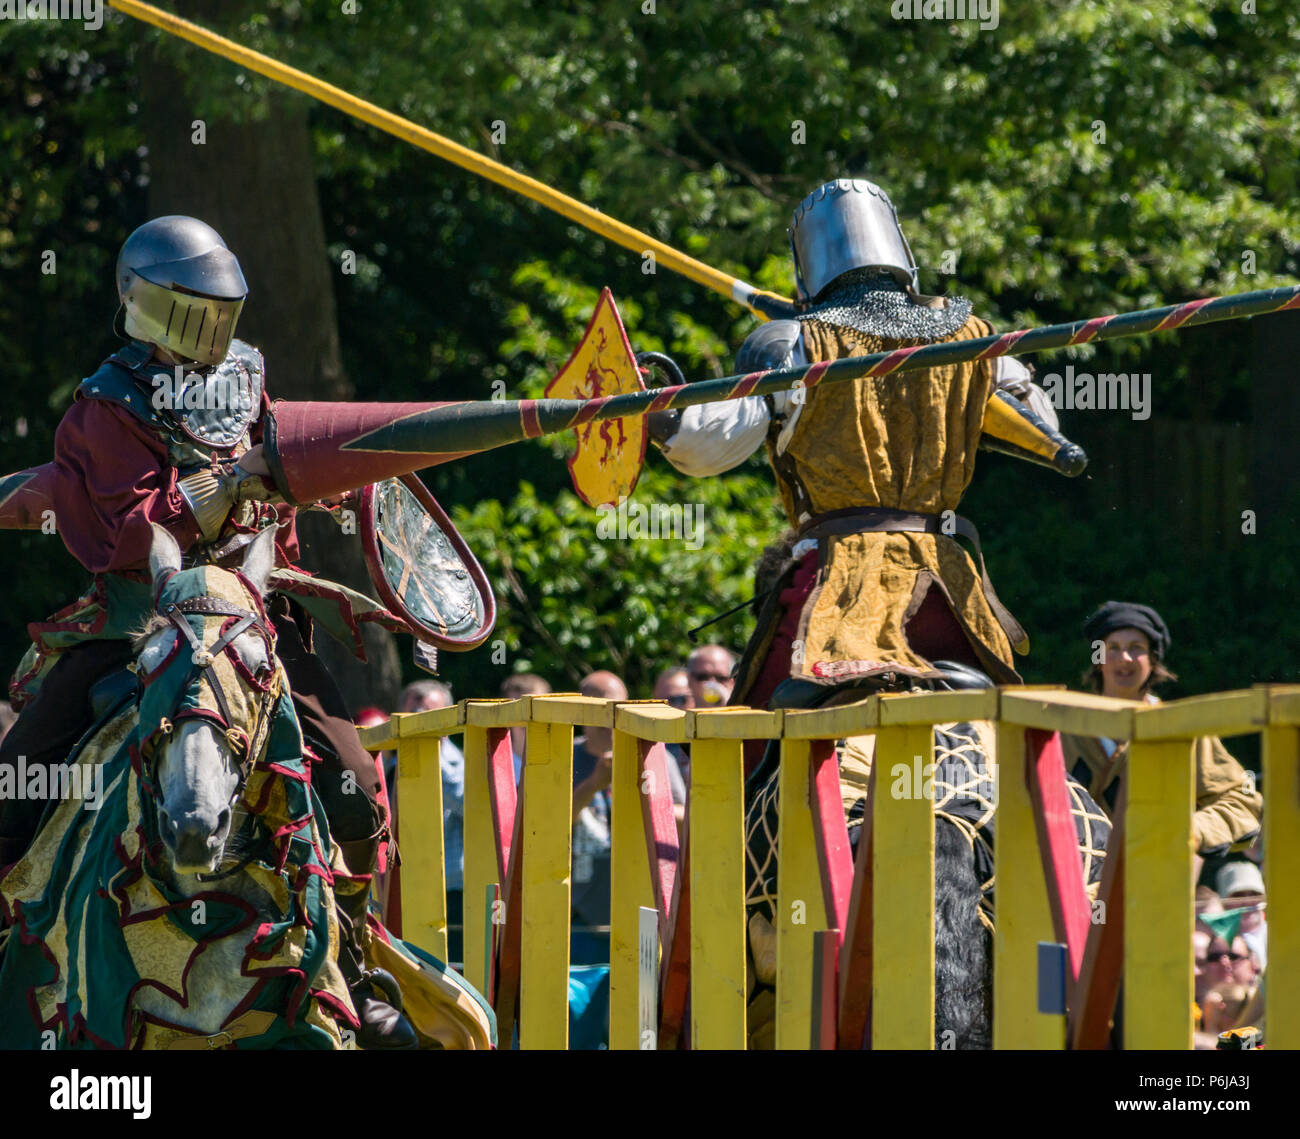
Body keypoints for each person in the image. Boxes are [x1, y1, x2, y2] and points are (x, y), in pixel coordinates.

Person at [0, 216, 415, 1047]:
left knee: (357, 787)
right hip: (134, 622)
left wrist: (296, 489)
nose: (211, 321)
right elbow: (121, 532)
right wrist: (230, 481)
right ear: (149, 301)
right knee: (19, 784)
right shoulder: (104, 406)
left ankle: (357, 963)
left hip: (248, 623)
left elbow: (276, 500)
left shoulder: (249, 381)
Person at [649, 179, 1065, 729]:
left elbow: (704, 448)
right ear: (903, 257)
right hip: (945, 590)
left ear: (806, 268)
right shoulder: (976, 341)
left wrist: (659, 416)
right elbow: (1044, 427)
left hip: (834, 586)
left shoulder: (790, 345)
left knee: (747, 740)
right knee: (1006, 731)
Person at [1059, 601, 1263, 857]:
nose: (1124, 658)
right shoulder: (1064, 729)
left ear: (1154, 659)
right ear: (1097, 658)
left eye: (1136, 648)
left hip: (1159, 883)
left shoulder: (1180, 730)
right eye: (1113, 648)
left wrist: (1194, 830)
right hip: (1072, 888)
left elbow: (1242, 798)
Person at [570, 671, 686, 966]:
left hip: (642, 905)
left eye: (617, 708)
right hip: (577, 914)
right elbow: (545, 825)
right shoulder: (561, 755)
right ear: (582, 710)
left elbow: (684, 817)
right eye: (602, 709)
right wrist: (594, 783)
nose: (610, 720)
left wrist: (644, 798)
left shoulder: (652, 753)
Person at [395, 679, 465, 967]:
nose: (419, 722)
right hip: (398, 888)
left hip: (449, 892)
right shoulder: (385, 758)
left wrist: (429, 751)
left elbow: (467, 807)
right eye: (413, 714)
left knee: (450, 971)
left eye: (429, 715)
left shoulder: (461, 763)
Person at [500, 671, 551, 782]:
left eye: (535, 705)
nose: (527, 715)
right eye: (519, 706)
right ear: (505, 710)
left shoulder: (565, 759)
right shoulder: (493, 762)